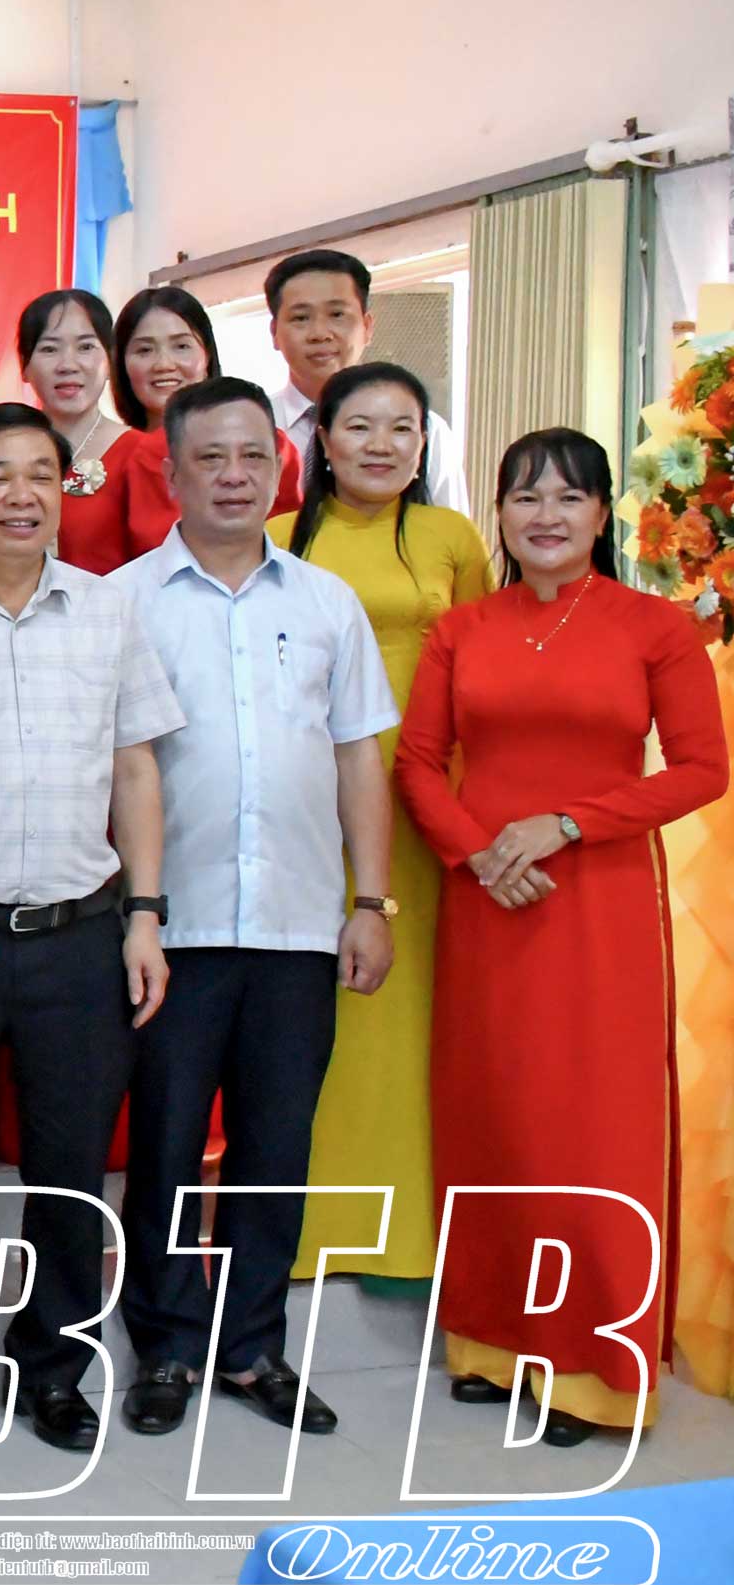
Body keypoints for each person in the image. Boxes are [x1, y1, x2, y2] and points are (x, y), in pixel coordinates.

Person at [395, 428, 727, 1444]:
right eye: (525, 497)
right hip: (487, 902)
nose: (545, 516)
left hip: (601, 903)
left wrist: (569, 824)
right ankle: (491, 1343)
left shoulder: (652, 626)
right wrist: (478, 853)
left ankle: (591, 1367)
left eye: (569, 497)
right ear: (497, 513)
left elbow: (702, 768)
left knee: (592, 1127)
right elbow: (417, 763)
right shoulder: (464, 629)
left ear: (601, 513)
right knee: (493, 1114)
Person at [0, 404, 182, 1460]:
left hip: (77, 935)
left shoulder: (108, 611)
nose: (22, 496)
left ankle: (52, 1368)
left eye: (42, 476)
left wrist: (145, 915)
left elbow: (136, 770)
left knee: (69, 1171)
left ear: (64, 491)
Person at [108, 378, 395, 1440]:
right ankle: (168, 1346)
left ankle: (253, 1347)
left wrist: (372, 901)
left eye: (253, 457)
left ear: (281, 468)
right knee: (168, 1145)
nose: (234, 476)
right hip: (171, 929)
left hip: (297, 922)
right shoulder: (124, 601)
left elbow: (358, 756)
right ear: (172, 473)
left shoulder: (325, 604)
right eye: (210, 458)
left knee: (276, 1147)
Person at [273, 364, 490, 1291]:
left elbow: (487, 665)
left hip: (431, 790)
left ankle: (418, 1230)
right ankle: (314, 1221)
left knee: (417, 1002)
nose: (381, 445)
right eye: (359, 426)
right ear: (322, 440)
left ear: (424, 443)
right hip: (314, 790)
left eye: (403, 428)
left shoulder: (452, 537)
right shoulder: (281, 537)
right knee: (319, 1001)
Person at [263, 249, 471, 517]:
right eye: (301, 318)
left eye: (337, 314)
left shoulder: (423, 428)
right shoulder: (255, 425)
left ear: (367, 326)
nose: (320, 334)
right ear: (274, 333)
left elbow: (450, 529)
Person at [104, 286, 302, 556]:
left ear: (207, 354)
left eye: (181, 346)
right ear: (121, 364)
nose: (164, 364)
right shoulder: (111, 455)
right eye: (144, 350)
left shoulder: (270, 444)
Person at [18, 288, 136, 573]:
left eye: (85, 347)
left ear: (110, 360)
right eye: (49, 349)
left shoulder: (141, 455)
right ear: (24, 366)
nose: (68, 365)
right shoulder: (2, 454)